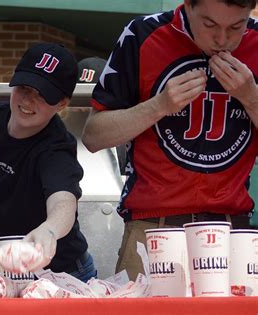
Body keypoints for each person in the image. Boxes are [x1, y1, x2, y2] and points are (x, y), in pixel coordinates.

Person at [82, 0, 258, 281]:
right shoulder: (142, 34)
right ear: (188, 5)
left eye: (236, 27)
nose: (222, 39)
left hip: (232, 234)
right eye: (209, 24)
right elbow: (93, 135)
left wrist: (251, 97)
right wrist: (159, 106)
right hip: (152, 229)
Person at [0, 42, 97, 282]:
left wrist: (49, 230)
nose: (28, 100)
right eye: (25, 87)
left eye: (43, 95)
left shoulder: (57, 148)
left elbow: (63, 202)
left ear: (62, 103)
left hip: (61, 274)